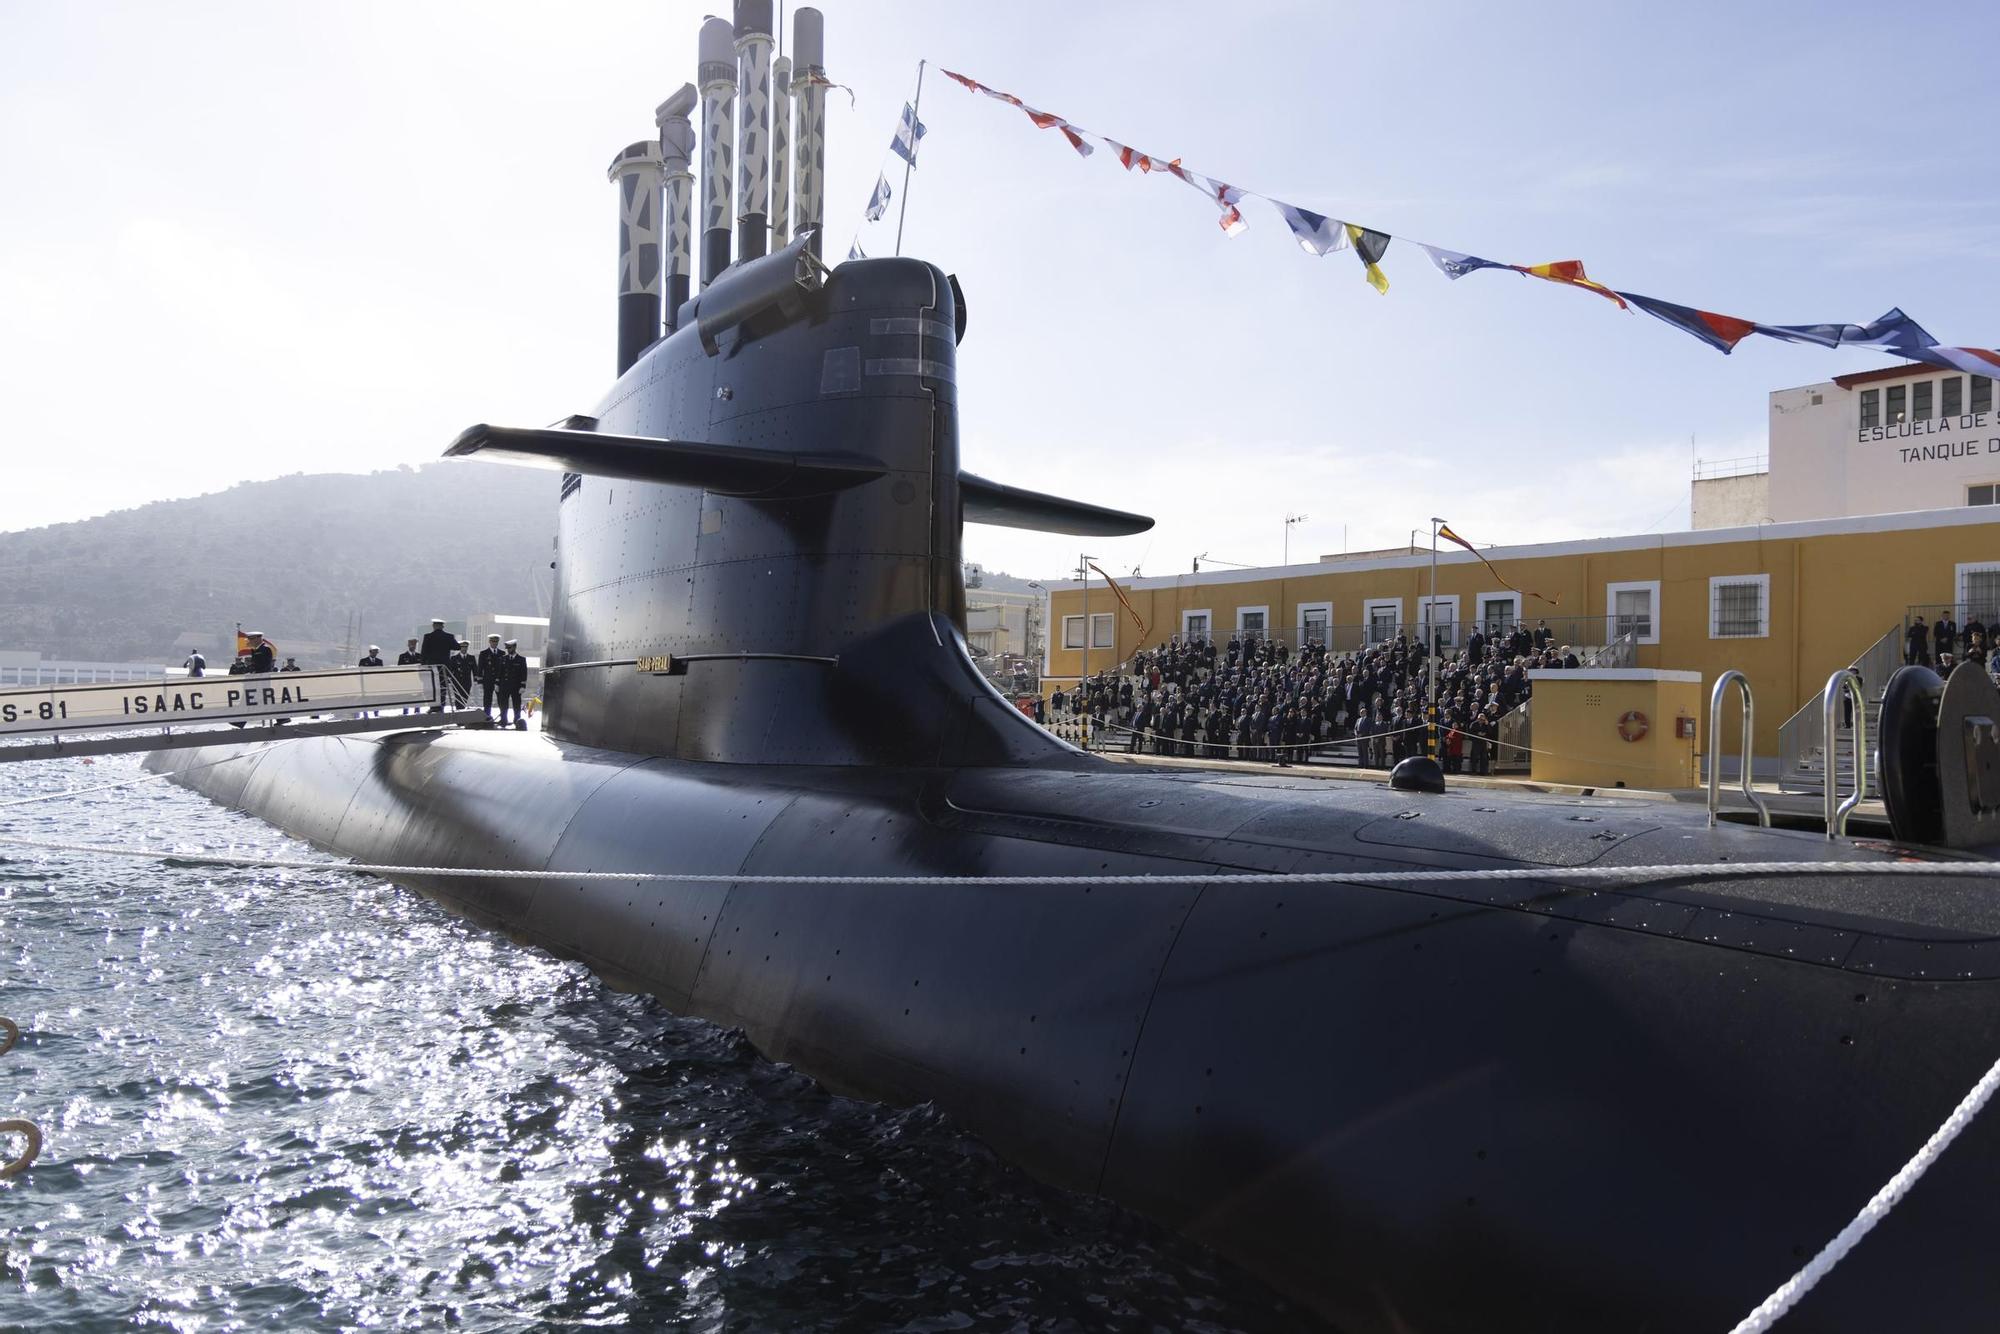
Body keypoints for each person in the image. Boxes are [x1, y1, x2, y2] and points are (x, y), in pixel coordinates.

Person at [420, 618, 457, 713]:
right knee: (442, 687)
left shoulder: (428, 636)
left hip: (432, 667)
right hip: (444, 667)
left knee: (432, 687)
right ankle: (441, 706)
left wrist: (423, 665)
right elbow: (457, 647)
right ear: (442, 626)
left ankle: (433, 707)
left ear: (434, 626)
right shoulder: (449, 636)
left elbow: (424, 653)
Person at [501, 638, 529, 729]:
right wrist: (497, 683)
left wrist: (523, 686)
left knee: (516, 705)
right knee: (503, 704)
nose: (508, 650)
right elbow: (499, 672)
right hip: (505, 685)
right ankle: (503, 720)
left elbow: (523, 674)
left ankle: (517, 721)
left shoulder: (521, 660)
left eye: (510, 648)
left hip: (516, 686)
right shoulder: (503, 659)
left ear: (514, 647)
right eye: (507, 648)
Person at [477, 633, 506, 722]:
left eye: (496, 642)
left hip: (499, 681)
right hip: (487, 680)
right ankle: (487, 717)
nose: (494, 643)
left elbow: (504, 668)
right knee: (487, 699)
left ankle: (503, 718)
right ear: (489, 642)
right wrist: (480, 682)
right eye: (493, 641)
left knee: (501, 700)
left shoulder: (502, 653)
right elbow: (480, 668)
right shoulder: (484, 653)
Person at [448, 640, 476, 708]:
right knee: (458, 698)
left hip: (467, 682)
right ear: (460, 647)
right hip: (457, 681)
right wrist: (449, 681)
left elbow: (475, 670)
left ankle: (462, 710)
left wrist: (476, 680)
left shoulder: (471, 658)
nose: (464, 648)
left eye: (465, 647)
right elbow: (450, 670)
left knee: (465, 698)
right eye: (462, 646)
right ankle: (458, 712)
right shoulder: (454, 658)